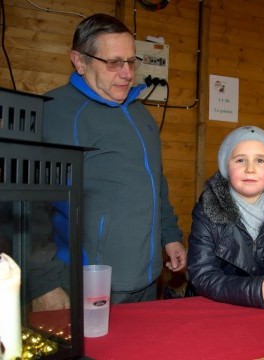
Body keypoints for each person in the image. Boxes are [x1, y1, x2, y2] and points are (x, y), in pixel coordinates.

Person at [38, 13, 186, 307]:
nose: (127, 73)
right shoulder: (52, 113)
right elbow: (27, 210)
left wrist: (170, 236)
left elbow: (156, 180)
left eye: (131, 62)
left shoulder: (140, 114)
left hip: (147, 278)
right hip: (88, 284)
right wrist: (43, 285)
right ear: (80, 62)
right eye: (114, 63)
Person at [187, 126, 264, 309]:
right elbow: (202, 274)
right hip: (213, 307)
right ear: (225, 167)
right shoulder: (207, 208)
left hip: (263, 310)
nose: (250, 169)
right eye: (240, 160)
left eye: (260, 160)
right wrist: (257, 291)